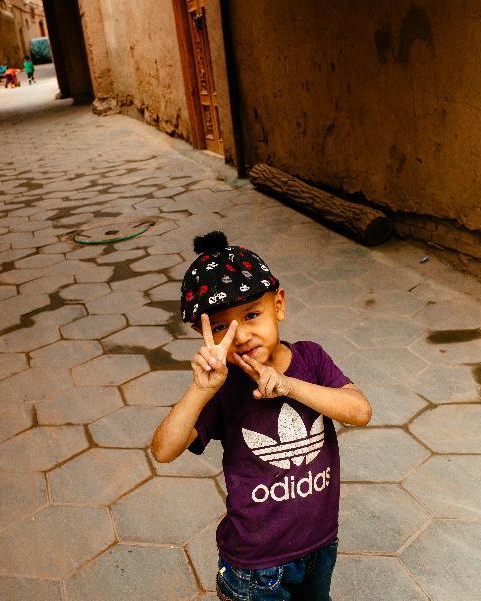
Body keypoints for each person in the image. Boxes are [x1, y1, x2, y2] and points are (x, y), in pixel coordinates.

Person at [152, 230, 372, 601]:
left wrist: (288, 386)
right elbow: (163, 450)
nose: (240, 335)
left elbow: (360, 411)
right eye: (221, 326)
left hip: (319, 544)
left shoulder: (311, 358)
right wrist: (201, 389)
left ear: (279, 305)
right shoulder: (221, 387)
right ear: (200, 332)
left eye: (252, 314)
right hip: (255, 567)